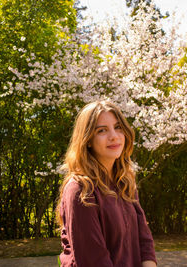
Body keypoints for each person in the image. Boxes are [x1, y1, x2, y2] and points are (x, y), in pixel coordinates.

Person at [56, 100, 157, 267]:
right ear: (87, 140)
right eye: (102, 130)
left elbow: (144, 240)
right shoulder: (80, 190)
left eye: (118, 127)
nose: (114, 136)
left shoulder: (124, 182)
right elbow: (94, 261)